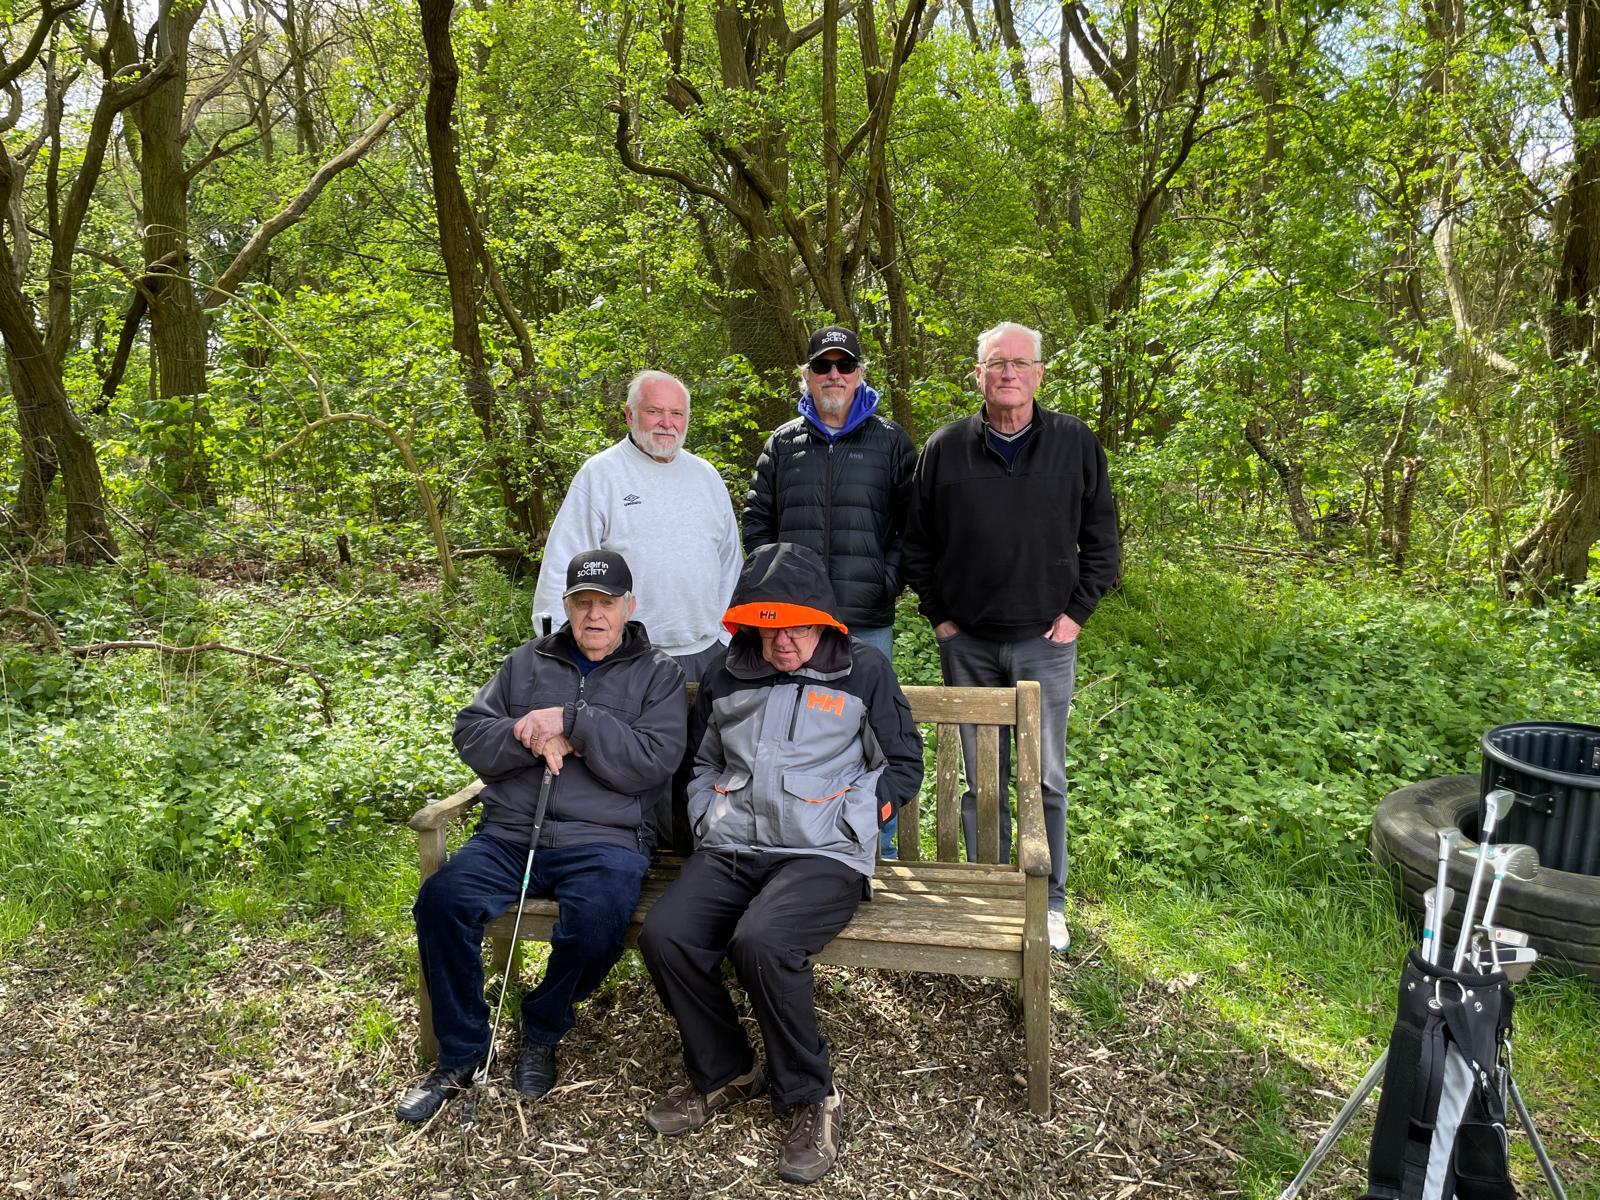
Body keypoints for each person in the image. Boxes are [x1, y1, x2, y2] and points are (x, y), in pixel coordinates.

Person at [638, 543, 923, 1185]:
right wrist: (709, 814)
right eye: (767, 627)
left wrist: (852, 819)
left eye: (795, 625)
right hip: (736, 844)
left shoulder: (864, 671)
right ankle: (726, 1070)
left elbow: (902, 766)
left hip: (821, 854)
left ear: (823, 621)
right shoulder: (728, 672)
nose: (782, 642)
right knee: (666, 936)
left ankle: (811, 1096)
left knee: (762, 942)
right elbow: (702, 758)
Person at [397, 550, 687, 1124]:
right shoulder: (526, 663)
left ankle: (543, 1027)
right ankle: (461, 1054)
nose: (594, 615)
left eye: (607, 603)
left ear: (629, 607)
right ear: (566, 607)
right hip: (510, 833)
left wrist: (577, 724)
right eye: (583, 603)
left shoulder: (660, 673)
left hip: (606, 839)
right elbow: (472, 733)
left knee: (600, 919)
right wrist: (528, 732)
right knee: (443, 900)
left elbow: (655, 762)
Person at [902, 321, 1119, 955]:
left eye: (1020, 363)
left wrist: (1075, 615)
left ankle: (1047, 899)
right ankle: (988, 884)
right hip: (965, 643)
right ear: (979, 374)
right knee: (980, 775)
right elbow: (917, 545)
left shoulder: (1076, 444)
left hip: (1043, 644)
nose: (1008, 374)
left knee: (1044, 776)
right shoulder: (943, 450)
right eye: (997, 363)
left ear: (1039, 374)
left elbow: (1103, 543)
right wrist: (940, 616)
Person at [741, 325, 916, 857]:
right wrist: (771, 597)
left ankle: (872, 845)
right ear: (807, 376)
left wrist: (888, 579)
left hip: (865, 617)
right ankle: (791, 838)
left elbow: (911, 529)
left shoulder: (891, 443)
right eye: (823, 366)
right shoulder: (782, 443)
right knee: (790, 732)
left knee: (872, 738)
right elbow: (757, 525)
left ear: (861, 373)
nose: (834, 375)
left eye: (844, 365)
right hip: (789, 624)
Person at [531, 370, 741, 686]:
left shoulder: (707, 477)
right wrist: (558, 656)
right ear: (630, 415)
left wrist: (728, 639)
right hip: (625, 658)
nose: (666, 423)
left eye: (677, 413)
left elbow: (730, 566)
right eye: (654, 411)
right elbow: (564, 565)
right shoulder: (601, 475)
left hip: (707, 655)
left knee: (705, 738)